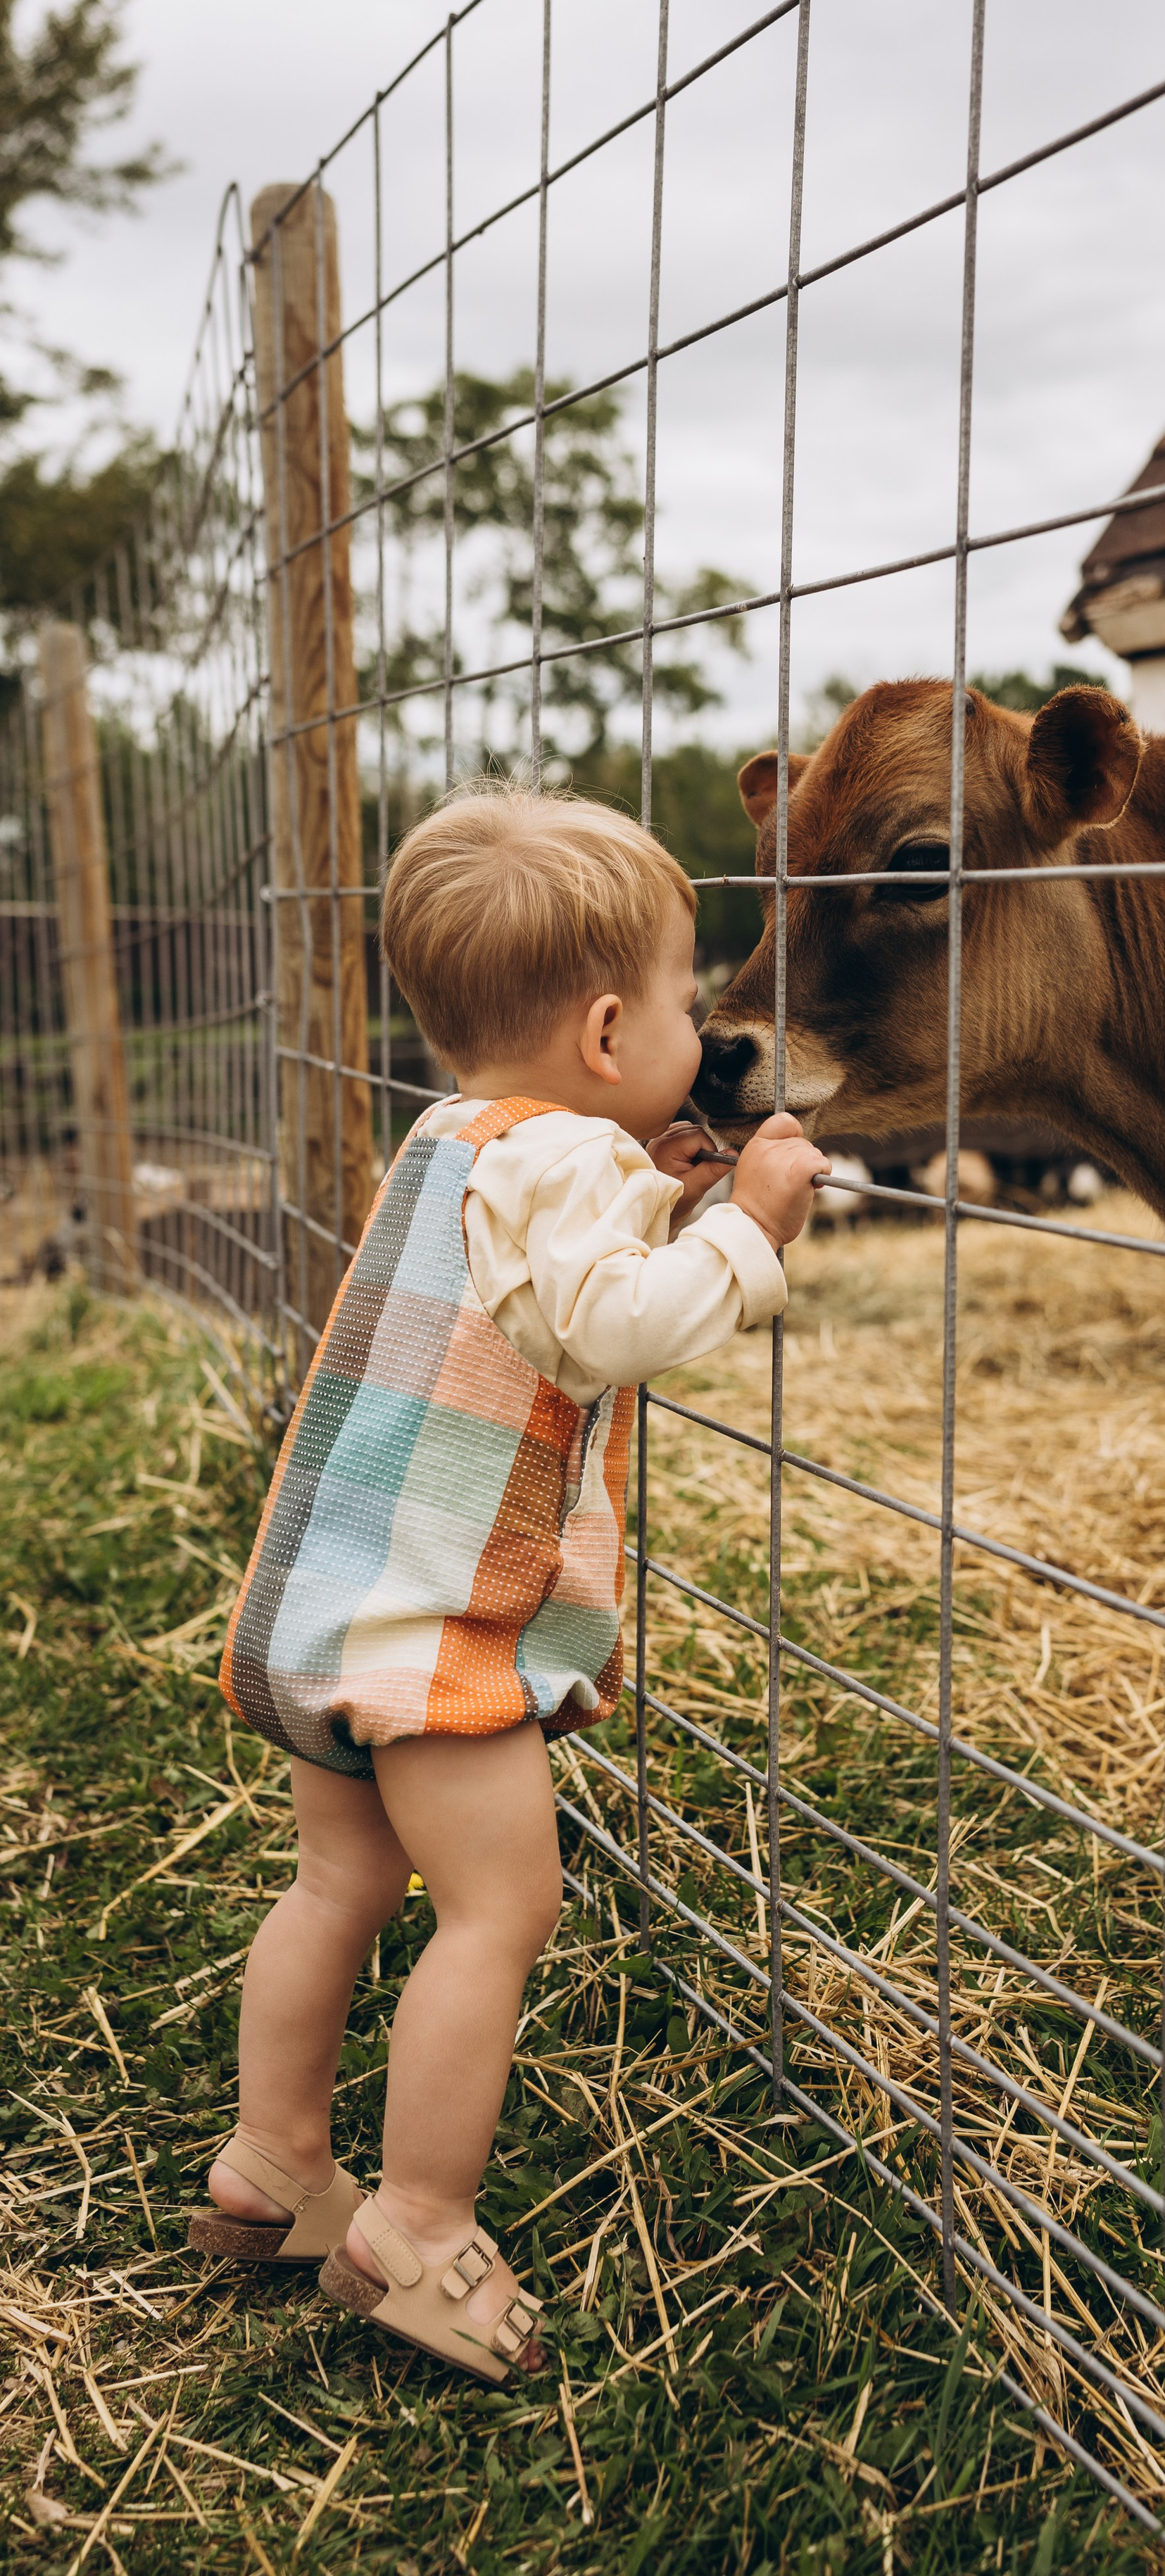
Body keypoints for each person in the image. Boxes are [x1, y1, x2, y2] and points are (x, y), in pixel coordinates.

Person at [187, 784, 825, 2383]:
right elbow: (610, 1326)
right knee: (499, 1907)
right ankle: (416, 2219)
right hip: (429, 1635)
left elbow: (549, 1283)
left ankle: (271, 2168)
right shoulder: (559, 1167)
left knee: (340, 1886)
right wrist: (744, 1224)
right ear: (610, 1032)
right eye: (687, 1002)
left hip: (322, 1606)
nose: (702, 1027)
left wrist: (657, 1185)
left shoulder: (458, 1138)